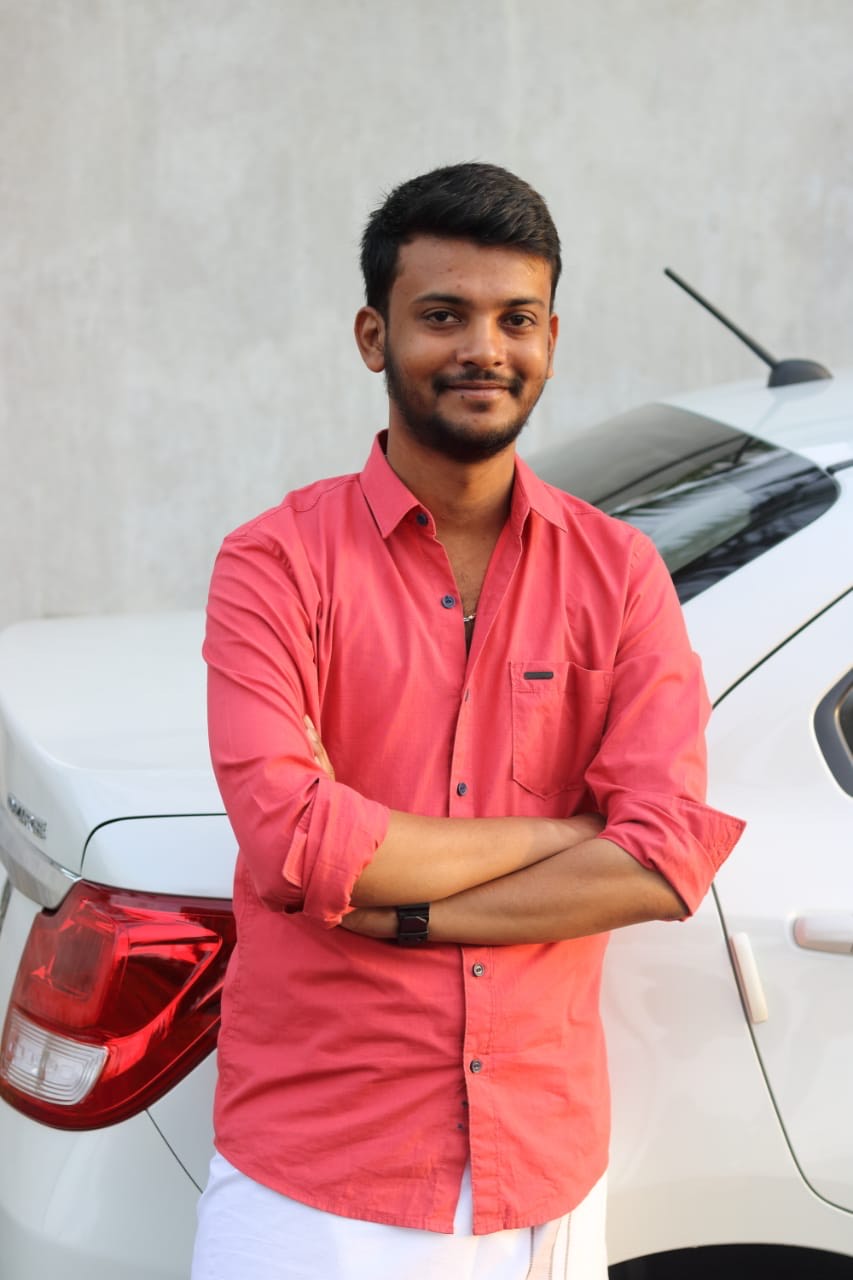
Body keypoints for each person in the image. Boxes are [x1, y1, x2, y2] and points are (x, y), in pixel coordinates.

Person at [193, 162, 744, 1280]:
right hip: (321, 1181)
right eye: (443, 315)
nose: (483, 348)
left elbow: (663, 856)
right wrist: (561, 835)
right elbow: (294, 841)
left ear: (551, 339)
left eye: (516, 318)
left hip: (544, 1177)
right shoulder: (274, 563)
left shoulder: (619, 573)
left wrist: (403, 913)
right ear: (374, 335)